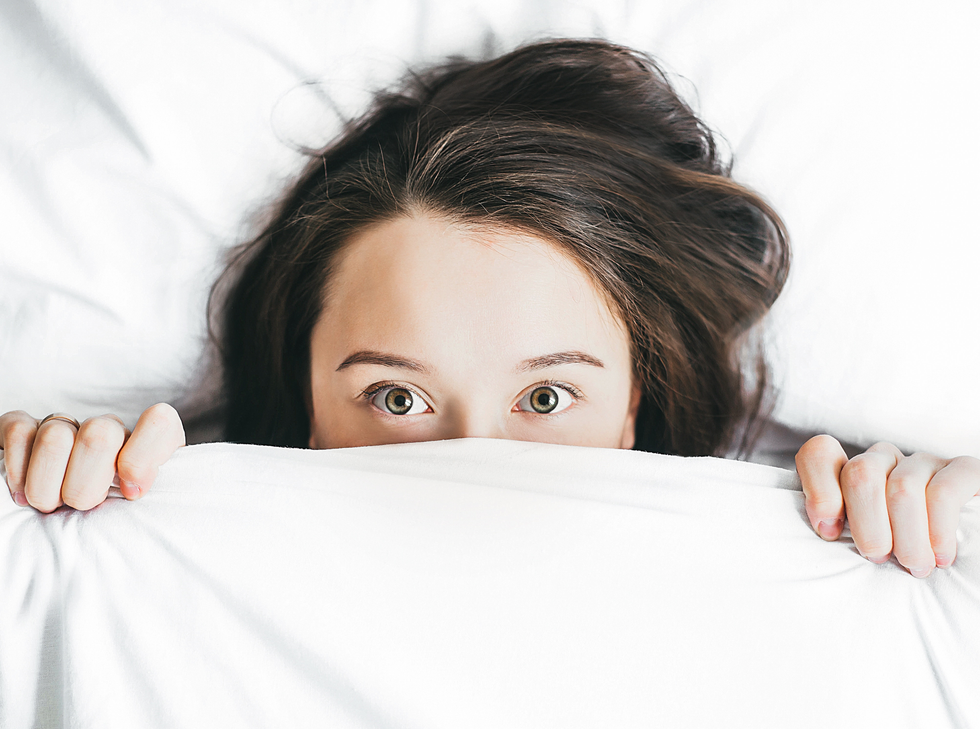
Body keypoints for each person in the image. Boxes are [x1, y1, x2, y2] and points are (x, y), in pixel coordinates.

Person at [1, 39, 977, 579]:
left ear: (637, 403)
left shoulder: (807, 561)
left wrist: (938, 524)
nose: (473, 464)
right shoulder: (161, 556)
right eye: (394, 398)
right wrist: (42, 502)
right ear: (301, 401)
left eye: (546, 399)